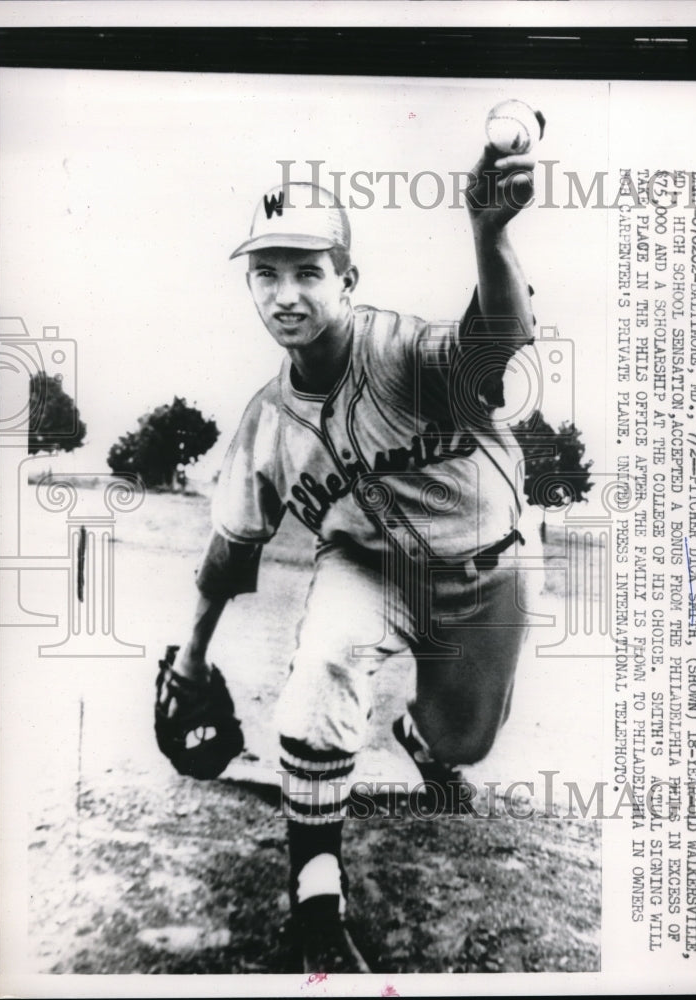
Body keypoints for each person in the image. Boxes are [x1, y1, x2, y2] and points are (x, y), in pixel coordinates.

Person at [158, 138, 542, 973]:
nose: (286, 294)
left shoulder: (402, 350)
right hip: (365, 569)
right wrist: (191, 658)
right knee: (321, 669)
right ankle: (315, 902)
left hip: (486, 567)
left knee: (466, 742)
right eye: (267, 273)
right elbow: (230, 551)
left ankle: (420, 732)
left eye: (307, 272)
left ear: (347, 281)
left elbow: (499, 341)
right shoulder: (267, 421)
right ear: (249, 285)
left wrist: (487, 231)